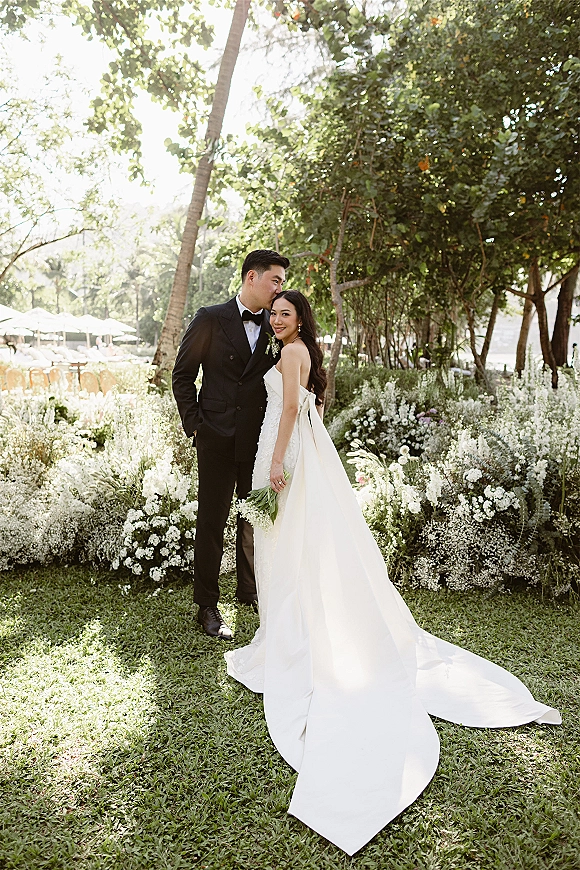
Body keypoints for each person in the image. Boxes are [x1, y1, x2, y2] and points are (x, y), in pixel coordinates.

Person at [225, 290, 562, 856]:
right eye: (274, 313)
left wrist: (279, 462)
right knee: (292, 544)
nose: (277, 318)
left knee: (281, 542)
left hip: (282, 452)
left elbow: (287, 410)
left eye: (286, 313)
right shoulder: (304, 350)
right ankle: (287, 626)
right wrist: (300, 445)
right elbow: (311, 407)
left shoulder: (289, 354)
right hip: (301, 448)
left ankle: (286, 639)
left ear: (300, 319)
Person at [172, 249, 290, 639]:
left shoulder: (277, 326)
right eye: (275, 280)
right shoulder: (209, 318)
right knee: (211, 521)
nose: (279, 290)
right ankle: (207, 605)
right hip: (216, 439)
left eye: (282, 284)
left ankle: (250, 590)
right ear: (251, 277)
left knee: (253, 519)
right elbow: (183, 375)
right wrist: (196, 428)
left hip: (258, 439)